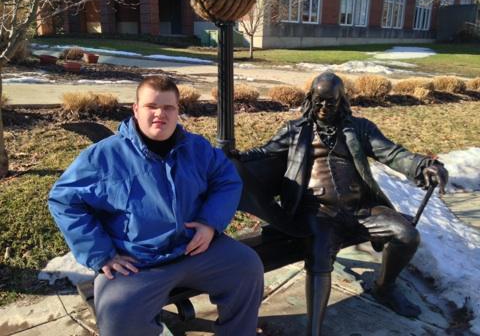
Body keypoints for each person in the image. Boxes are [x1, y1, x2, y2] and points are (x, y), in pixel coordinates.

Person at [232, 72, 448, 335]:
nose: (324, 107)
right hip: (318, 211)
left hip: (361, 208)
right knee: (320, 254)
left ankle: (384, 288)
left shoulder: (360, 128)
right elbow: (263, 152)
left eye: (331, 102)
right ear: (311, 99)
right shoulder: (295, 130)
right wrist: (234, 157)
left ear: (341, 100)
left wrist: (423, 165)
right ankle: (314, 330)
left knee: (407, 234)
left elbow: (392, 153)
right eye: (319, 101)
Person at [48, 76, 264, 336]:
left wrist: (209, 224)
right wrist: (102, 254)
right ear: (136, 110)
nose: (160, 113)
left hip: (195, 249)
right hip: (139, 262)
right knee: (117, 312)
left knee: (246, 266)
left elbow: (227, 180)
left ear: (177, 112)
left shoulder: (197, 148)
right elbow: (64, 200)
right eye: (151, 106)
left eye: (169, 107)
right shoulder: (104, 157)